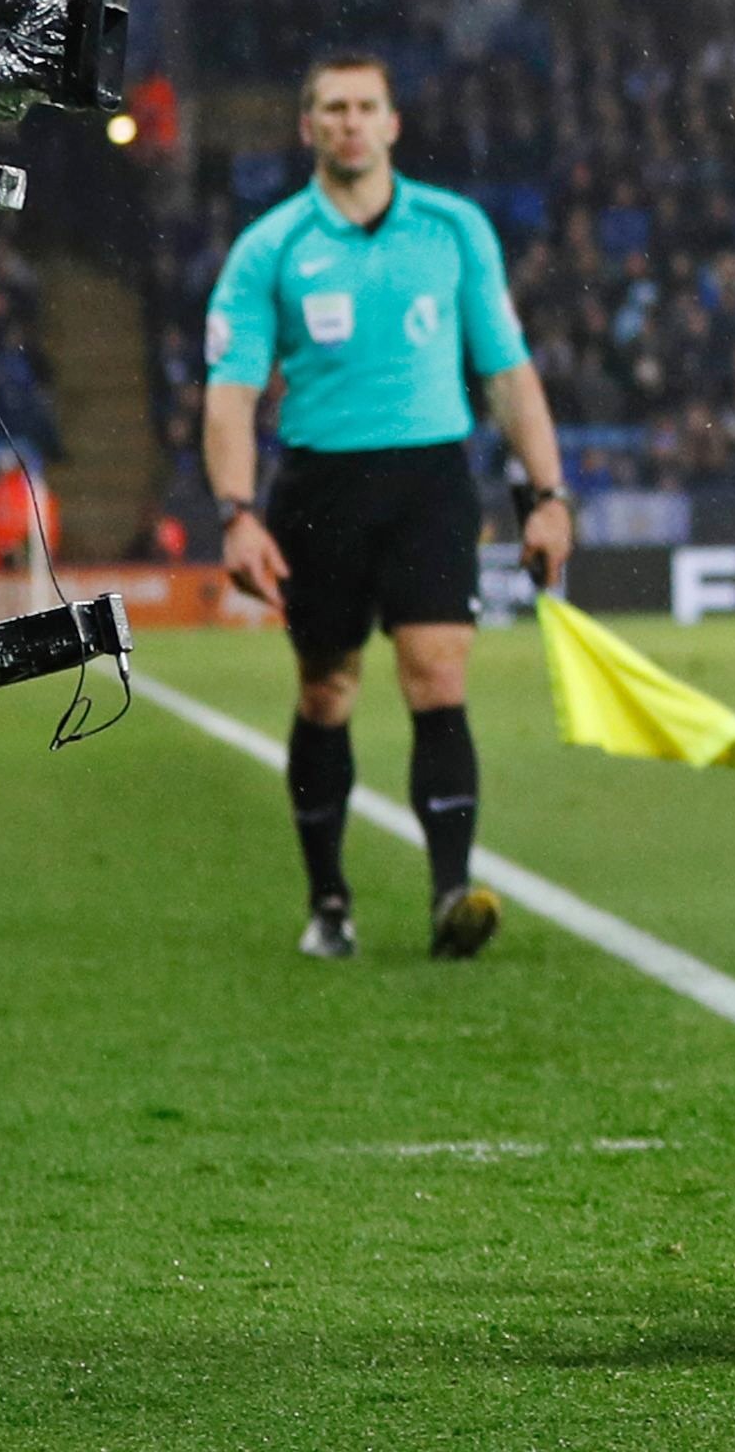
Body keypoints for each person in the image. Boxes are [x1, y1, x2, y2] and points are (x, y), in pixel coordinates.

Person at [201, 54, 573, 960]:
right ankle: (329, 901)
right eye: (333, 107)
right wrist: (238, 512)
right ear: (308, 127)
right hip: (320, 488)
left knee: (438, 678)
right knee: (326, 689)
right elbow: (230, 390)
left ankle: (452, 892)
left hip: (431, 482)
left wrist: (548, 495)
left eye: (366, 106)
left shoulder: (454, 229)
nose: (351, 122)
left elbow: (507, 372)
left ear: (393, 123)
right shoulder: (272, 246)